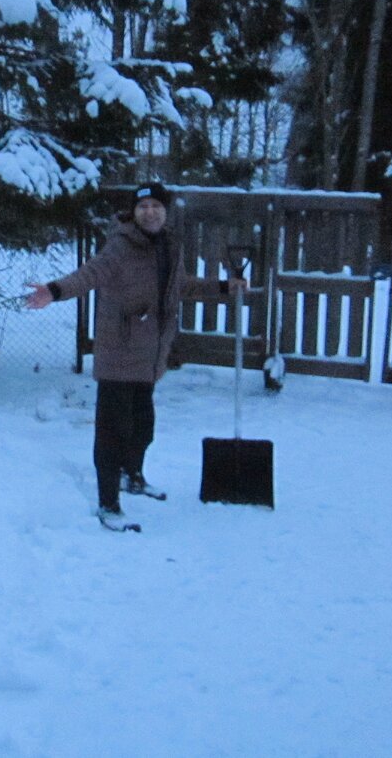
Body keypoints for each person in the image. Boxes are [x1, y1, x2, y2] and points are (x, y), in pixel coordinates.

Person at [26, 182, 248, 531]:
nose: (149, 212)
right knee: (112, 433)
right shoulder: (121, 246)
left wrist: (222, 287)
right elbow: (90, 274)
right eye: (143, 206)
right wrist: (54, 291)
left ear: (165, 211)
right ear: (134, 212)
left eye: (156, 206)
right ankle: (108, 503)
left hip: (150, 356)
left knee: (143, 428)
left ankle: (134, 478)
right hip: (119, 355)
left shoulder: (168, 245)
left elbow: (179, 286)